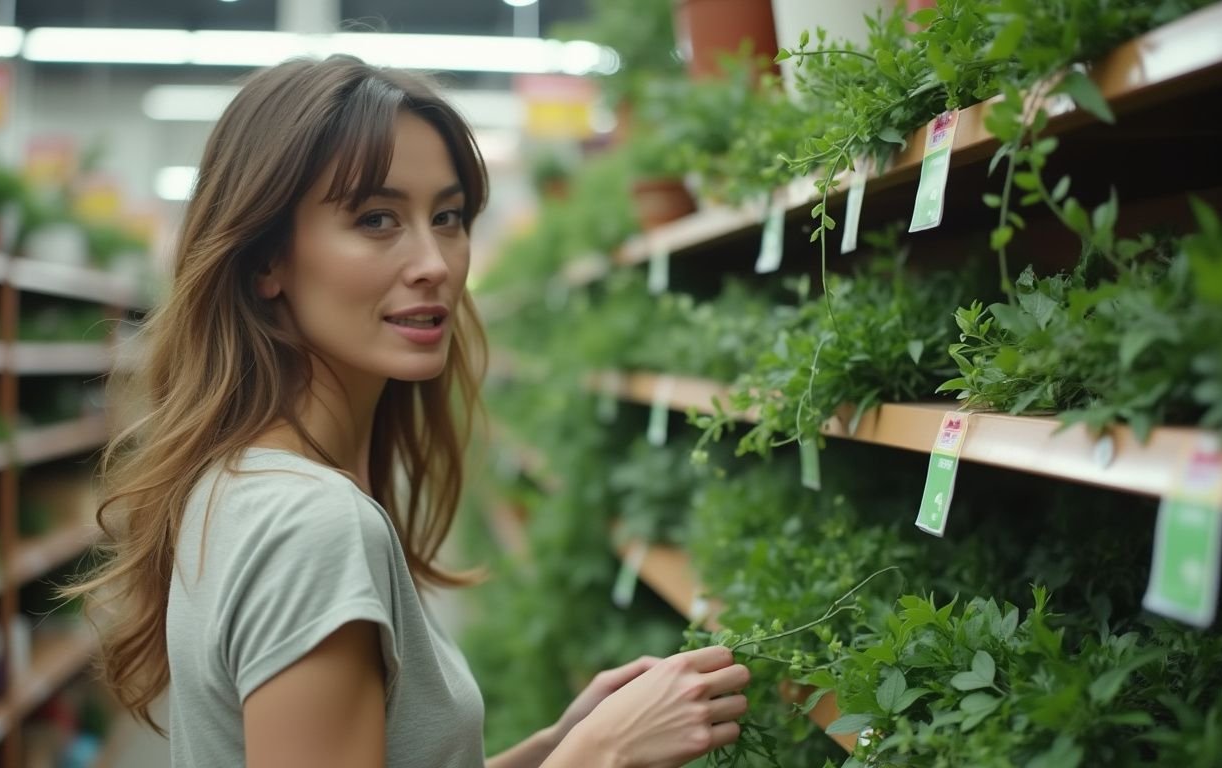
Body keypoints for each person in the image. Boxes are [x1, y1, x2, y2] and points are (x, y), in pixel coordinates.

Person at [67, 54, 750, 768]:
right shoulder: (314, 527)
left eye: (448, 216)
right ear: (267, 259)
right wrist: (600, 757)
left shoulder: (237, 482)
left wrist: (555, 744)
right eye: (377, 218)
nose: (435, 261)